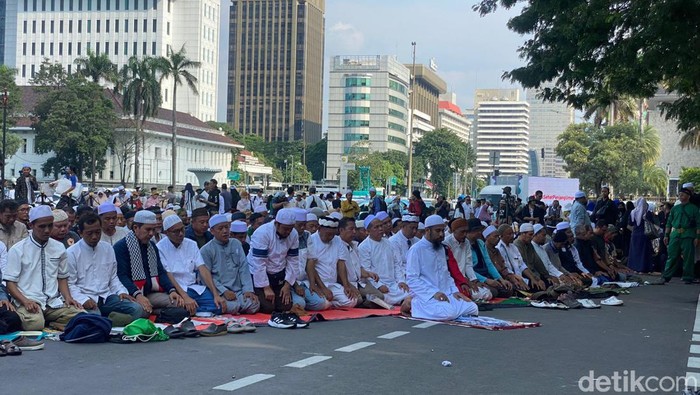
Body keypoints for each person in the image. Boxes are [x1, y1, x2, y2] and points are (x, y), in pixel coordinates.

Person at [3, 205, 84, 331]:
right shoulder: (18, 250)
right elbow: (10, 283)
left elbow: (62, 278)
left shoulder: (59, 248)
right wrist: (25, 301)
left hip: (53, 303)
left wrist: (68, 298)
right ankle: (49, 322)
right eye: (42, 226)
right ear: (31, 226)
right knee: (35, 324)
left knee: (82, 315)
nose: (47, 230)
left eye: (50, 225)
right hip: (29, 302)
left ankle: (51, 323)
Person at [67, 213, 144, 323]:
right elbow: (70, 284)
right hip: (86, 298)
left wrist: (121, 291)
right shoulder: (72, 253)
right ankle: (110, 322)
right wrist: (83, 300)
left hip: (107, 297)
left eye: (97, 232)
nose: (94, 236)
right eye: (89, 233)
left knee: (137, 309)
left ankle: (112, 324)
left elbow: (113, 277)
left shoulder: (107, 249)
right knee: (96, 317)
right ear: (80, 233)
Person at [403, 215, 478, 320]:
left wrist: (455, 291)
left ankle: (450, 308)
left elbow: (446, 274)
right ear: (427, 230)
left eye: (443, 230)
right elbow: (412, 278)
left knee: (472, 307)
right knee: (448, 313)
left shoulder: (441, 248)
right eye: (438, 231)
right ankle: (414, 303)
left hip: (445, 293)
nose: (441, 234)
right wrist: (433, 293)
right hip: (426, 295)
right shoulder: (416, 249)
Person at [114, 210, 186, 318]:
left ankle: (156, 313)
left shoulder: (151, 246)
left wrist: (171, 290)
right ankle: (157, 314)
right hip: (131, 294)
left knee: (179, 304)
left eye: (153, 229)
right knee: (141, 311)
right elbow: (122, 276)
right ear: (135, 228)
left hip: (150, 293)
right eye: (148, 229)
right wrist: (137, 295)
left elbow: (160, 272)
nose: (151, 233)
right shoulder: (121, 247)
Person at [158, 215, 228, 315]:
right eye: (176, 231)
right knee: (181, 308)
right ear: (166, 233)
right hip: (178, 289)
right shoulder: (160, 247)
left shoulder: (191, 244)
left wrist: (215, 294)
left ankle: (194, 311)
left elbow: (202, 268)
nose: (181, 234)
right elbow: (168, 275)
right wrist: (185, 297)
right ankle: (194, 311)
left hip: (194, 288)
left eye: (182, 229)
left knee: (220, 306)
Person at [247, 208, 306, 328]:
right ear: (276, 223)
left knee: (285, 306)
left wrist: (287, 284)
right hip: (259, 274)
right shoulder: (262, 233)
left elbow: (293, 260)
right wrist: (266, 287)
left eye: (290, 229)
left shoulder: (293, 234)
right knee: (268, 307)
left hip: (279, 274)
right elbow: (259, 263)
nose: (288, 232)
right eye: (285, 229)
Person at [305, 217, 359, 309]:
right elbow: (311, 268)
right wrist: (323, 288)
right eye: (328, 234)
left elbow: (341, 264)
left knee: (352, 301)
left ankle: (331, 304)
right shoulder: (311, 240)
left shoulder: (337, 240)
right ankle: (326, 303)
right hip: (317, 284)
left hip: (332, 284)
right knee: (323, 304)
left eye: (333, 235)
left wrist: (346, 286)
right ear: (319, 228)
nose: (331, 237)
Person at [357, 215, 409, 305]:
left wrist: (401, 281)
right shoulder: (364, 247)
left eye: (381, 226)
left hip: (393, 284)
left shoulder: (388, 242)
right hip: (377, 283)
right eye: (376, 227)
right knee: (381, 297)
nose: (380, 229)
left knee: (409, 291)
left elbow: (396, 264)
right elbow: (366, 271)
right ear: (368, 231)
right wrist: (379, 285)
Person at [337, 218, 384, 308]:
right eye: (351, 229)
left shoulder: (354, 245)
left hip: (359, 282)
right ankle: (362, 301)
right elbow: (338, 274)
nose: (354, 232)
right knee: (356, 300)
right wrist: (348, 285)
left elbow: (358, 267)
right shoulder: (336, 245)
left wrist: (369, 274)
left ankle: (363, 301)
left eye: (355, 229)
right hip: (346, 283)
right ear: (341, 230)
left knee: (380, 297)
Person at [443, 218, 493, 300]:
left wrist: (474, 280)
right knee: (463, 294)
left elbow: (468, 264)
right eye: (462, 232)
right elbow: (449, 269)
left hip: (464, 279)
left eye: (466, 231)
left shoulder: (466, 242)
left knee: (487, 293)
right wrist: (465, 281)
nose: (465, 234)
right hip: (452, 280)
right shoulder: (446, 243)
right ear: (454, 231)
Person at [662, 188, 700, 283]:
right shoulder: (675, 208)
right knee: (672, 256)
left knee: (688, 257)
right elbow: (669, 223)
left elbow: (699, 224)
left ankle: (688, 277)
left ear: (688, 196)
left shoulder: (694, 209)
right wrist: (666, 235)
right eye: (679, 194)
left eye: (683, 194)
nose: (680, 196)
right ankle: (666, 276)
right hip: (675, 235)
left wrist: (697, 237)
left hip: (688, 235)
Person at [513, 223, 556, 287]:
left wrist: (546, 276)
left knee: (550, 282)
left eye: (533, 234)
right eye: (530, 234)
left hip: (534, 274)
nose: (532, 237)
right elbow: (524, 265)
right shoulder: (517, 245)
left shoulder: (529, 244)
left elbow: (537, 261)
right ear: (523, 234)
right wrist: (537, 279)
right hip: (524, 276)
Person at [389, 215, 420, 283]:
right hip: (402, 277)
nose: (415, 231)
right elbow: (398, 265)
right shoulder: (393, 241)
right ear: (402, 226)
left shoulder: (417, 241)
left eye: (416, 228)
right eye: (412, 228)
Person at [627, 197, 655, 273]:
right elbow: (652, 223)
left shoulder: (633, 212)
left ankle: (634, 268)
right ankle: (643, 268)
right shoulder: (647, 213)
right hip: (644, 235)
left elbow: (629, 224)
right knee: (644, 252)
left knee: (635, 252)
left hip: (635, 235)